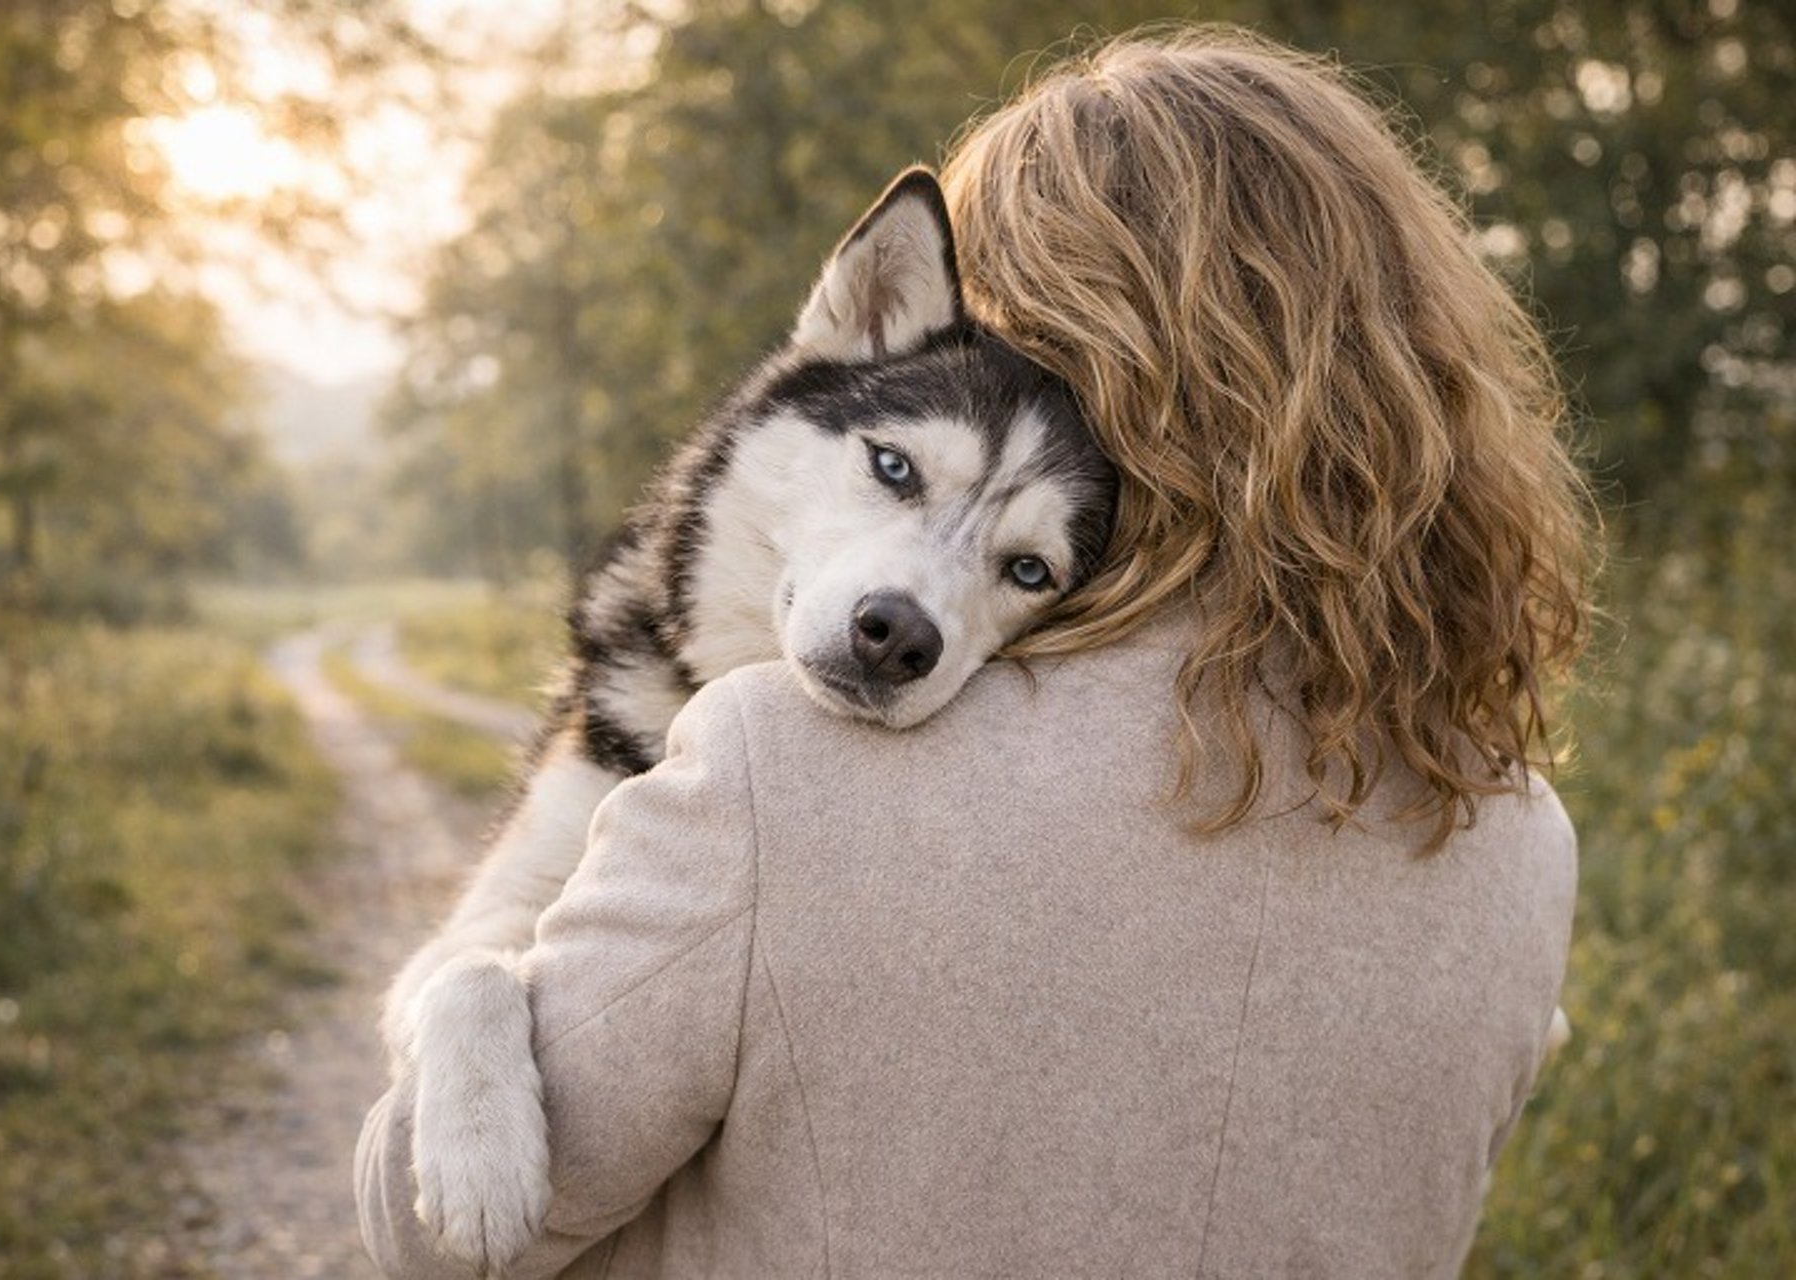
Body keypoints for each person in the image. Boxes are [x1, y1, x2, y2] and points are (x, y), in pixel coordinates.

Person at [356, 26, 1592, 1279]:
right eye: (895, 465)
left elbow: (439, 1234)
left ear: (1100, 372)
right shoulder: (1518, 842)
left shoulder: (779, 767)